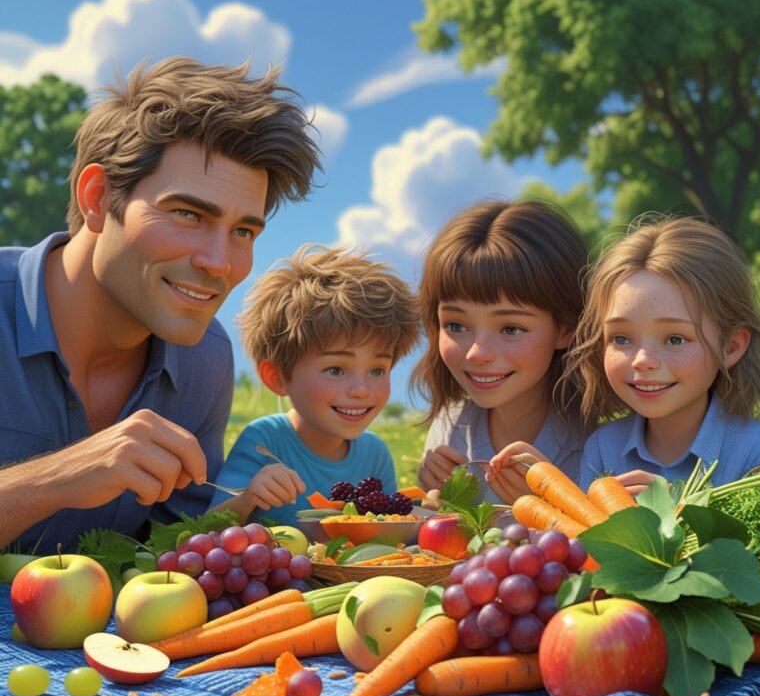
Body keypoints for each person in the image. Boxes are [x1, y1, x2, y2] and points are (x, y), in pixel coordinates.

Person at [0, 57, 320, 554]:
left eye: (242, 231)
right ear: (98, 198)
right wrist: (55, 480)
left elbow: (162, 557)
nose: (220, 263)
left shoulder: (206, 360)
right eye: (187, 214)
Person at [209, 244, 421, 526]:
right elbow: (208, 527)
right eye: (335, 369)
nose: (361, 389)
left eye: (377, 370)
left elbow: (391, 534)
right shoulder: (264, 441)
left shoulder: (375, 453)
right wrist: (248, 498)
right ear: (277, 378)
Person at [566, 215, 760, 491]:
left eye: (675, 339)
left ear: (731, 347)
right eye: (621, 338)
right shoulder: (603, 447)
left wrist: (676, 513)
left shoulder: (759, 453)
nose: (643, 360)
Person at [413, 199, 590, 505]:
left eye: (510, 329)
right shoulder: (450, 427)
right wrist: (430, 506)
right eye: (456, 326)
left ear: (566, 328)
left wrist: (548, 511)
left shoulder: (598, 446)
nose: (476, 354)